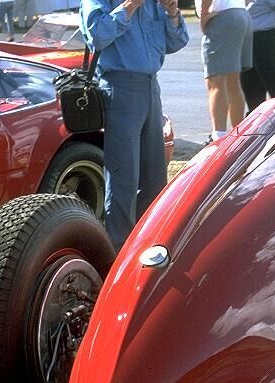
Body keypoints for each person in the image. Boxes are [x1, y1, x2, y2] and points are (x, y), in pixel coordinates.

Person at [81, 0, 189, 251]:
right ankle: (119, 253)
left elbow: (177, 41)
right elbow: (96, 36)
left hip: (151, 86)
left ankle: (150, 246)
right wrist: (129, 6)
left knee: (154, 176)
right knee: (123, 180)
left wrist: (172, 11)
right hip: (120, 88)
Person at [197, 0, 252, 142]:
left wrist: (204, 14)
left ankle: (218, 138)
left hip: (222, 16)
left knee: (216, 82)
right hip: (241, 14)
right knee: (233, 82)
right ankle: (238, 135)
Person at [241, 0, 275, 112]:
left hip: (264, 36)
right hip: (245, 38)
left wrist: (267, 16)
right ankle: (257, 117)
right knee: (250, 81)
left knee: (272, 77)